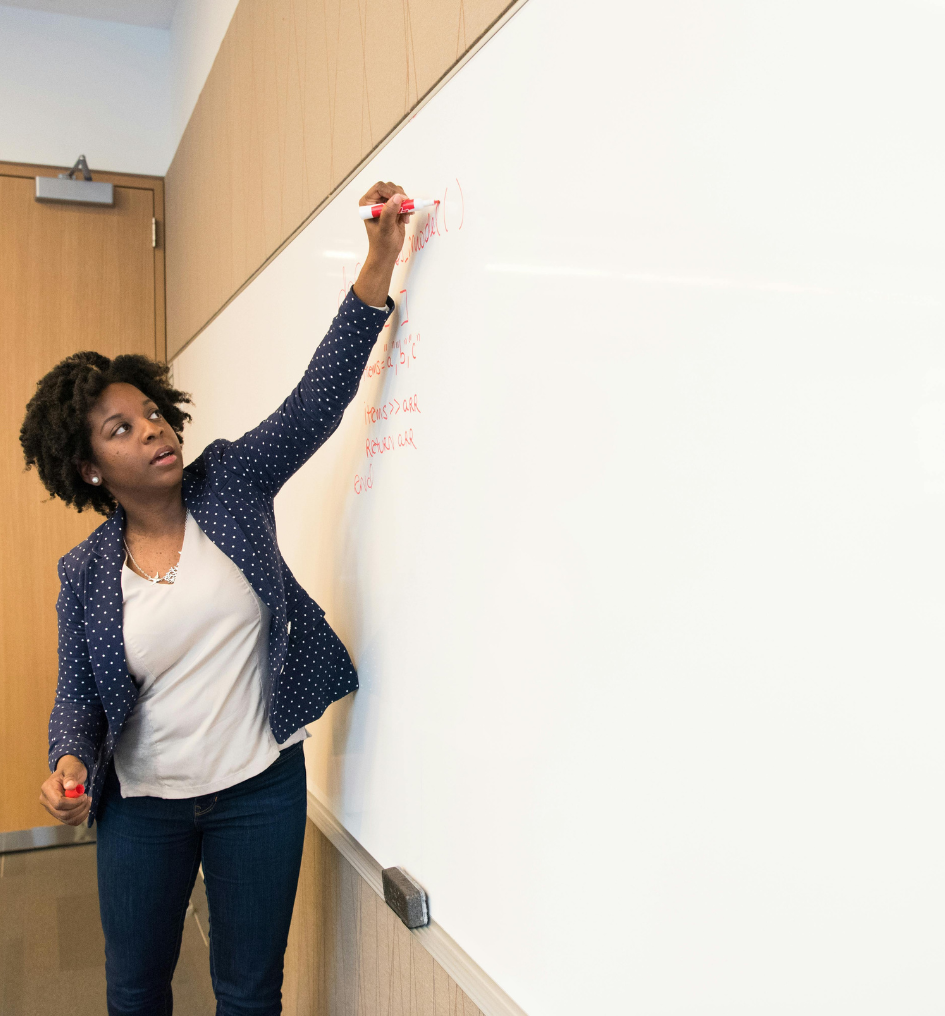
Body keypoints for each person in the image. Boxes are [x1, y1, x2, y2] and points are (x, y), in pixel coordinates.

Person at [19, 181, 410, 1016]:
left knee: (246, 993)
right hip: (143, 810)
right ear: (89, 470)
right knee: (134, 992)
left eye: (152, 414)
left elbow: (314, 404)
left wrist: (376, 264)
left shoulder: (230, 482)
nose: (154, 429)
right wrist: (68, 761)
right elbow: (78, 699)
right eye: (121, 429)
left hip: (258, 789)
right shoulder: (83, 574)